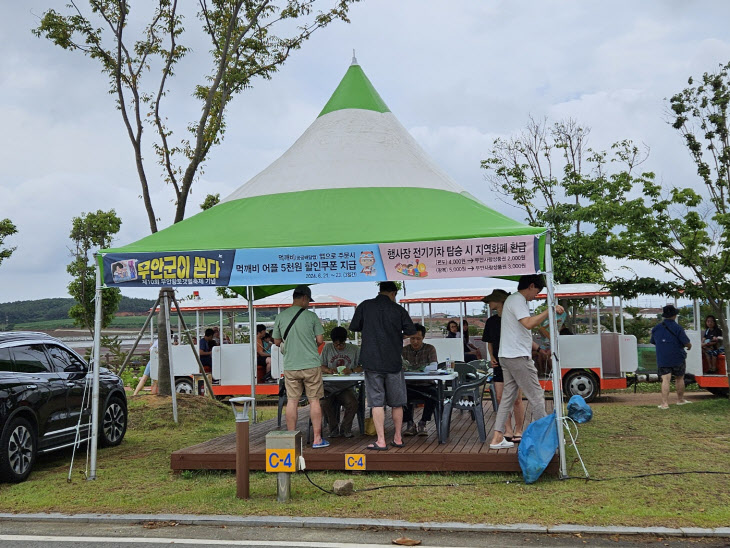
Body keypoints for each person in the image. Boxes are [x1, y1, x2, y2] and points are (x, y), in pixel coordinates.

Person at [489, 274, 564, 450]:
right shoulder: (518, 300)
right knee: (537, 395)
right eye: (536, 292)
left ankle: (497, 437)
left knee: (507, 397)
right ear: (531, 286)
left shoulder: (512, 301)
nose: (535, 297)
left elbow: (521, 332)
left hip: (507, 356)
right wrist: (549, 310)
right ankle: (545, 438)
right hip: (517, 357)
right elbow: (528, 324)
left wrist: (538, 348)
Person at [349, 281, 417, 451]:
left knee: (377, 402)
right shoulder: (398, 309)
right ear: (393, 293)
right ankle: (398, 438)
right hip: (393, 361)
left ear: (380, 291)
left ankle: (381, 441)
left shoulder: (365, 306)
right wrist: (395, 332)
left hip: (371, 362)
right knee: (397, 403)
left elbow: (354, 326)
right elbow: (411, 331)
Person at [273, 285, 328, 448]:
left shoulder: (280, 317)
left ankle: (292, 438)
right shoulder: (311, 317)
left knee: (292, 401)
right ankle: (317, 439)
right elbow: (320, 340)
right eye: (308, 301)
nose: (309, 304)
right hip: (311, 364)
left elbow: (276, 342)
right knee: (314, 401)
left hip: (291, 365)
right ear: (304, 298)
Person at [481, 289, 525, 442]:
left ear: (499, 301)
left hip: (513, 359)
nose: (489, 304)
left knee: (517, 399)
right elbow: (489, 342)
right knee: (500, 397)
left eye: (491, 301)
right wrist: (492, 356)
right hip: (499, 361)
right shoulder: (491, 322)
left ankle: (519, 429)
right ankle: (508, 430)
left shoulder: (513, 318)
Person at [319, 326, 361, 438]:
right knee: (324, 402)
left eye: (341, 344)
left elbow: (362, 366)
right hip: (329, 386)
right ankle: (333, 429)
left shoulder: (355, 349)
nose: (338, 346)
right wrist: (328, 370)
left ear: (346, 340)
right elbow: (320, 365)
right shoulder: (327, 348)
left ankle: (345, 429)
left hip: (346, 386)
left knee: (353, 403)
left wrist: (351, 370)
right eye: (336, 344)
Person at [650, 305, 692, 409]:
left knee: (665, 379)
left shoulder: (656, 328)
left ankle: (664, 403)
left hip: (663, 357)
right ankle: (680, 400)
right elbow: (686, 343)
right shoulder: (678, 328)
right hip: (678, 357)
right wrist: (689, 347)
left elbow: (653, 342)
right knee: (679, 378)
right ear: (674, 315)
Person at [401, 323, 438, 437]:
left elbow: (434, 366)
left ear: (423, 338)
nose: (415, 342)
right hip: (409, 385)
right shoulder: (404, 350)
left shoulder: (430, 349)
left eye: (418, 338)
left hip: (426, 385)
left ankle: (423, 422)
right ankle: (410, 423)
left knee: (434, 394)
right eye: (412, 338)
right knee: (401, 394)